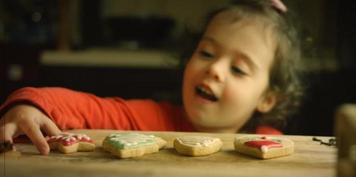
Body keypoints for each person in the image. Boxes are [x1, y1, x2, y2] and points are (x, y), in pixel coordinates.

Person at [0, 0, 303, 155]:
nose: (215, 69)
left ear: (267, 98)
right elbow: (87, 107)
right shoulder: (148, 120)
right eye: (207, 53)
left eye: (238, 69)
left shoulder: (270, 145)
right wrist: (32, 105)